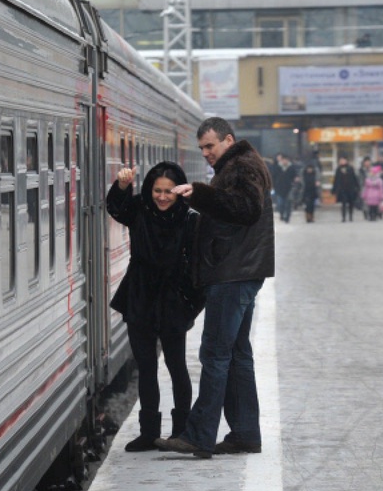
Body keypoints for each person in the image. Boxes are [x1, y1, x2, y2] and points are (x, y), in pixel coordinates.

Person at [155, 117, 274, 459]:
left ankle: (199, 435)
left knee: (215, 354)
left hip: (233, 274)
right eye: (202, 148)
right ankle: (245, 434)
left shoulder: (240, 167)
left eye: (211, 145)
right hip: (240, 270)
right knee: (236, 355)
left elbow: (246, 209)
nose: (206, 153)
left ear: (228, 139)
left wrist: (201, 194)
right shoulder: (241, 165)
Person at [107, 161, 201, 452]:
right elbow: (115, 208)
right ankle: (149, 432)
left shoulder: (190, 217)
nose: (162, 197)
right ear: (149, 190)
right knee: (146, 366)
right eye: (157, 191)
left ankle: (182, 430)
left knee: (176, 366)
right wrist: (122, 186)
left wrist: (190, 302)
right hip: (140, 294)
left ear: (179, 192)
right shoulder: (139, 208)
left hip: (174, 298)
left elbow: (200, 263)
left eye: (169, 192)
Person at [332, 156, 360, 222]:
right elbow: (336, 179)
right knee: (343, 203)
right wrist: (334, 189)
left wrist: (357, 186)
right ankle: (343, 217)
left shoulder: (350, 168)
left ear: (346, 161)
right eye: (340, 160)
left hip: (350, 189)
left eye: (343, 160)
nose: (342, 161)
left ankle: (350, 216)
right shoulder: (338, 169)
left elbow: (354, 178)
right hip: (342, 189)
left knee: (351, 203)